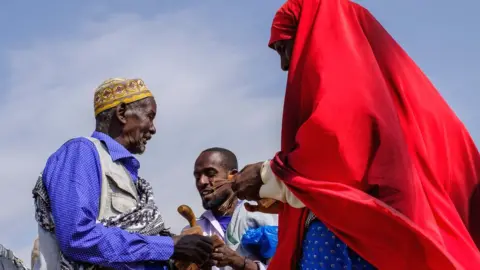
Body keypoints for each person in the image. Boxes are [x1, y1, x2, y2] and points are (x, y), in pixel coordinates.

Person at [231, 0, 480, 269]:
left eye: (284, 47)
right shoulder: (413, 100)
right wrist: (286, 198)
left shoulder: (351, 101)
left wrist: (267, 177)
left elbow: (336, 161)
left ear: (314, 36)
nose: (283, 64)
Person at [32, 78, 213, 269]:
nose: (153, 128)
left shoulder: (128, 176)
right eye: (149, 117)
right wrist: (170, 246)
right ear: (122, 113)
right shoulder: (82, 152)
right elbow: (77, 237)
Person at [185, 147, 278, 270]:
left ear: (232, 176)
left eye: (210, 174)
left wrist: (237, 261)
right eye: (197, 177)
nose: (202, 182)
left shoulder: (263, 215)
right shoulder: (193, 231)